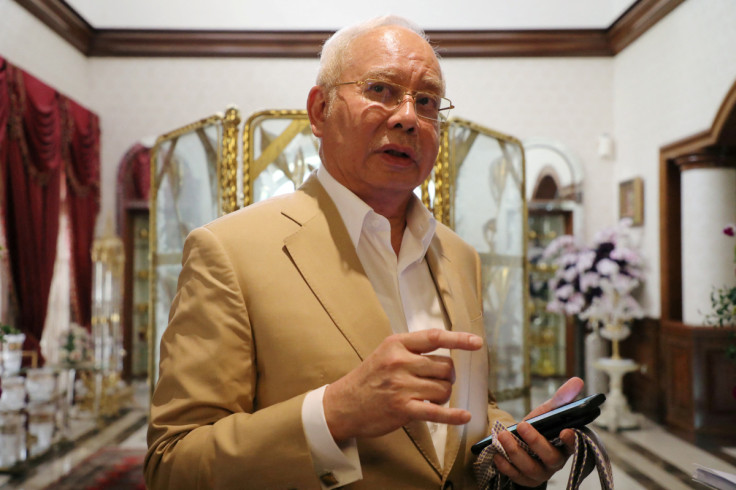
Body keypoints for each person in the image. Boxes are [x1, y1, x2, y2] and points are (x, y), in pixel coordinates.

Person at [145, 15, 584, 490]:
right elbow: (173, 464)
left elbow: (462, 421)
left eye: (427, 101)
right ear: (319, 111)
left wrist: (512, 448)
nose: (407, 117)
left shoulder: (459, 255)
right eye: (380, 89)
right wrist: (334, 412)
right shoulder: (228, 251)